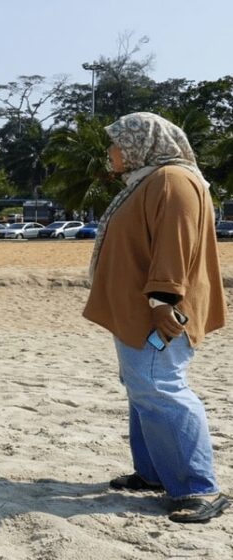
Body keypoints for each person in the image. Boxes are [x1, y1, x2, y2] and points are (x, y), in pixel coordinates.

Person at [83, 112, 229, 523]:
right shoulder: (150, 179)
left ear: (139, 142)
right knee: (141, 387)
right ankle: (154, 473)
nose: (110, 153)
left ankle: (198, 489)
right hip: (141, 308)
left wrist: (163, 298)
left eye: (115, 144)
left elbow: (175, 240)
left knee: (161, 387)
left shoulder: (172, 179)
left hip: (160, 311)